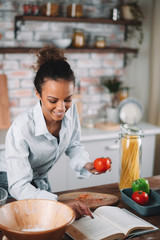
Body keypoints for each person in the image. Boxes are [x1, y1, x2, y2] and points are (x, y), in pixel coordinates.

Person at [5, 45, 111, 219]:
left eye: (68, 99)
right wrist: (58, 202)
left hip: (39, 186)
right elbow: (18, 186)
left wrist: (86, 164)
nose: (62, 108)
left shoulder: (71, 111)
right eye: (53, 100)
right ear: (38, 94)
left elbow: (73, 145)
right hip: (10, 184)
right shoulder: (21, 128)